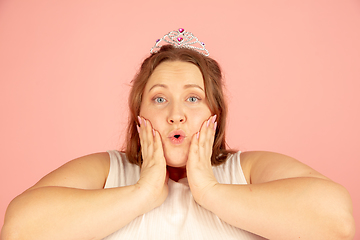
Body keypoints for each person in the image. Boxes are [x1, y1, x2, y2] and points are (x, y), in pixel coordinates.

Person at [1, 28, 355, 240]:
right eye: (159, 99)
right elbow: (19, 230)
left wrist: (210, 191)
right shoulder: (105, 170)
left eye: (192, 98)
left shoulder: (247, 170)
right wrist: (142, 193)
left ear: (214, 114)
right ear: (138, 114)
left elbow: (336, 223)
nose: (175, 115)